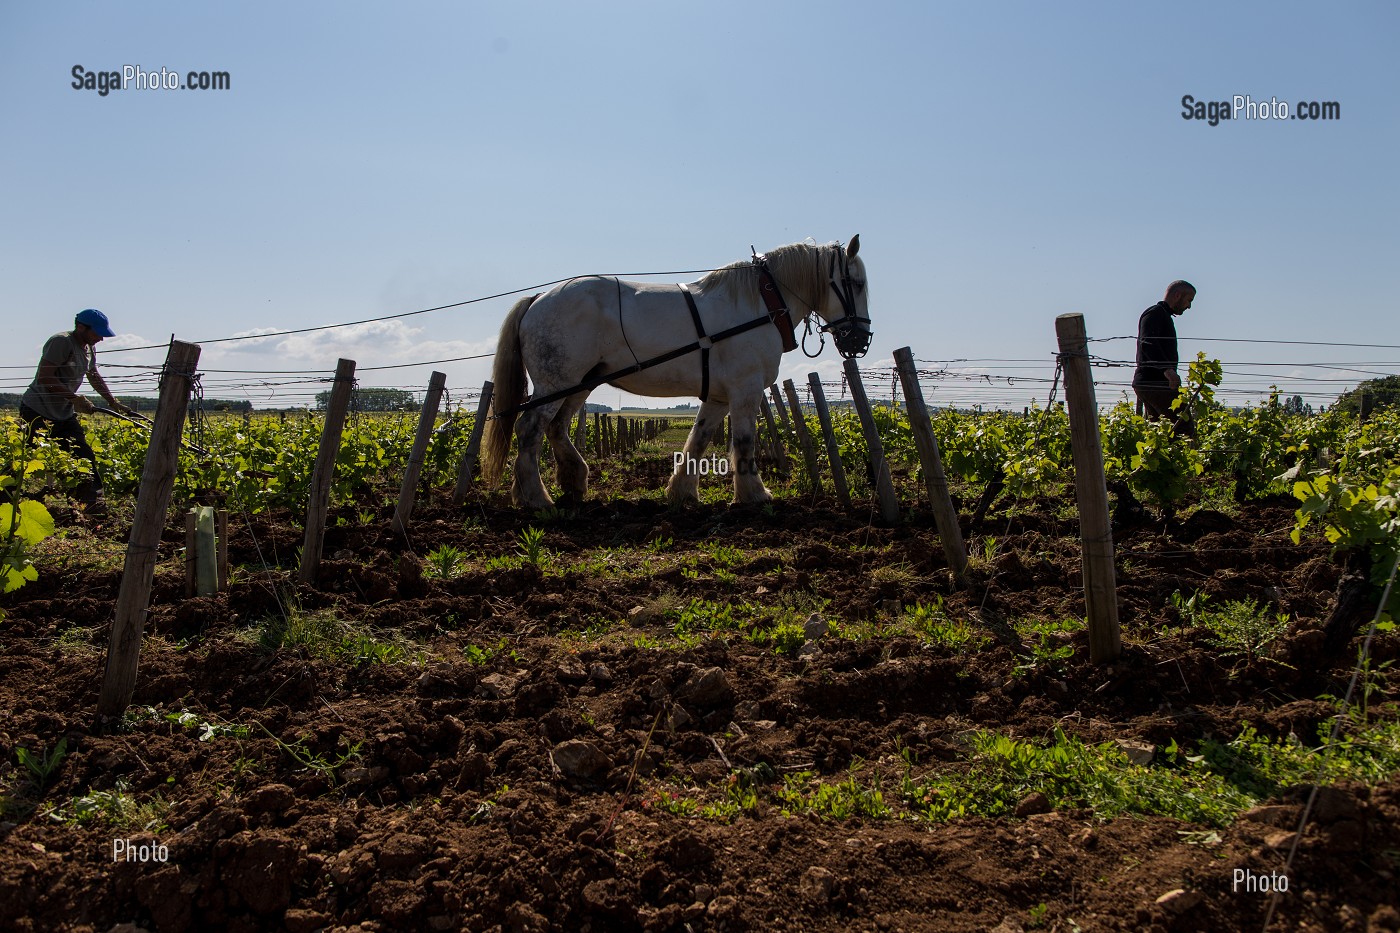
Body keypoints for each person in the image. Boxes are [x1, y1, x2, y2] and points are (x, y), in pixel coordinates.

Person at [20, 308, 134, 515]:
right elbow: (45, 376)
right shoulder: (61, 342)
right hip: (37, 410)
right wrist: (75, 398)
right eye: (96, 333)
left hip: (63, 412)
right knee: (27, 458)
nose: (100, 338)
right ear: (80, 327)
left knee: (83, 456)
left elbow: (94, 376)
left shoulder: (89, 347)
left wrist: (113, 402)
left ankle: (91, 505)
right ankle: (6, 495)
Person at [1132, 280, 1195, 435]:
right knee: (1182, 426)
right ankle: (1178, 457)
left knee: (1160, 431)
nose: (1189, 306)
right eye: (1189, 300)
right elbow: (1148, 343)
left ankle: (1163, 457)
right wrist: (1166, 369)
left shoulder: (1162, 315)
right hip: (1154, 382)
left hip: (1150, 382)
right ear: (1177, 295)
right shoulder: (1155, 313)